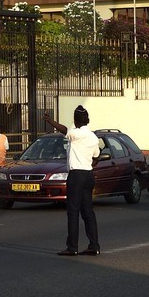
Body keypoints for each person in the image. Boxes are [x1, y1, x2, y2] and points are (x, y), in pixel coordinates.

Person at [46, 105, 101, 256]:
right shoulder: (93, 136)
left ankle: (72, 247)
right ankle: (94, 245)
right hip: (88, 175)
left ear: (76, 121)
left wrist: (51, 121)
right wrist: (91, 162)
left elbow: (65, 130)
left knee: (73, 212)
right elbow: (97, 156)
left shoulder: (77, 134)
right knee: (88, 211)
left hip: (76, 175)